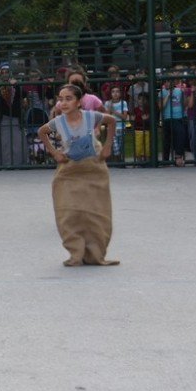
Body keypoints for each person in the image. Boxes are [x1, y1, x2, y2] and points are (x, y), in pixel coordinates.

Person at [37, 84, 119, 267]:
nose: (63, 103)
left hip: (93, 168)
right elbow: (41, 132)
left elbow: (112, 121)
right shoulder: (58, 122)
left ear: (79, 101)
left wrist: (107, 146)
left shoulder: (91, 117)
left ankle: (96, 254)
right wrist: (54, 152)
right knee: (68, 211)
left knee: (96, 212)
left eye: (68, 99)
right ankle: (76, 253)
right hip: (70, 169)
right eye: (60, 99)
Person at [159, 76, 187, 167]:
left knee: (180, 135)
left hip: (179, 117)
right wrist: (168, 95)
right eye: (166, 81)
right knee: (167, 139)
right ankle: (166, 160)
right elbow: (161, 107)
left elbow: (184, 104)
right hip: (168, 118)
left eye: (170, 81)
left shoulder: (179, 91)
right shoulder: (162, 92)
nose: (168, 83)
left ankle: (178, 156)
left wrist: (185, 94)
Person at [104, 86, 129, 163]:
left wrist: (114, 111)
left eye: (117, 91)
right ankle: (118, 159)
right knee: (115, 146)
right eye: (113, 92)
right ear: (110, 93)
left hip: (121, 127)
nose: (115, 94)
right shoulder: (107, 103)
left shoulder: (123, 103)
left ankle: (119, 160)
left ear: (120, 93)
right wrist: (110, 110)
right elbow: (106, 117)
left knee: (120, 145)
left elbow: (124, 117)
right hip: (111, 127)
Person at [132, 92, 152, 164]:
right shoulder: (135, 110)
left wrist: (146, 120)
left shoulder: (148, 109)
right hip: (138, 130)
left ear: (146, 101)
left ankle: (147, 161)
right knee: (138, 147)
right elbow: (132, 120)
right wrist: (132, 120)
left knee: (147, 147)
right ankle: (139, 162)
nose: (141, 101)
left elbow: (151, 121)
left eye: (144, 99)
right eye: (139, 99)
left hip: (147, 130)